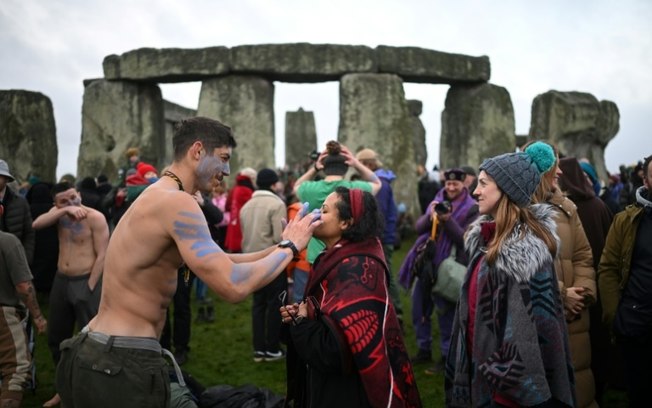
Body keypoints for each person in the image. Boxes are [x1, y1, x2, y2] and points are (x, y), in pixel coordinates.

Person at [55, 117, 319, 408]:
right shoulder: (176, 203)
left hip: (96, 350)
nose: (227, 171)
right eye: (223, 159)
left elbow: (223, 260)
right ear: (197, 151)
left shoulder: (159, 196)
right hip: (119, 363)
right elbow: (232, 285)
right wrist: (292, 246)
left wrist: (283, 248)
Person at [446, 143, 575, 407]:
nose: (476, 191)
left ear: (506, 189)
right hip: (479, 372)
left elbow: (536, 335)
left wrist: (499, 380)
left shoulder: (526, 257)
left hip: (504, 394)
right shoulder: (485, 242)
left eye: (483, 183)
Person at [280, 187, 421, 407]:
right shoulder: (335, 258)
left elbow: (334, 352)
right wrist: (302, 314)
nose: (316, 215)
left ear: (346, 223)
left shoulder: (356, 270)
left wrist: (301, 322)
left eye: (324, 211)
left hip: (348, 393)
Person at [528, 144, 597, 408]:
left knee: (579, 386)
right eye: (553, 166)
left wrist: (581, 293)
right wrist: (559, 294)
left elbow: (583, 256)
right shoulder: (519, 213)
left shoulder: (568, 209)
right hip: (541, 316)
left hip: (575, 317)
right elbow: (521, 270)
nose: (560, 171)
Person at [32, 181, 110, 407]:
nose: (72, 202)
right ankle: (63, 389)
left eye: (74, 197)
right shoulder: (59, 215)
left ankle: (93, 390)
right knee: (57, 338)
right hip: (61, 280)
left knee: (92, 340)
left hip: (86, 281)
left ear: (79, 194)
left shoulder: (95, 217)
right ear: (56, 204)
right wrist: (64, 210)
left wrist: (90, 288)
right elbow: (37, 224)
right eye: (64, 201)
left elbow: (103, 255)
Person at [398, 168, 478, 372]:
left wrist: (447, 220)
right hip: (427, 264)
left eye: (455, 184)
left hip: (449, 265)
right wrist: (431, 215)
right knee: (419, 307)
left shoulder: (472, 208)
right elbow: (419, 227)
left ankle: (445, 356)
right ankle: (423, 349)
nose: (451, 188)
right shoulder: (437, 199)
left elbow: (464, 240)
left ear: (463, 185)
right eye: (448, 184)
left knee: (446, 313)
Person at [559, 157, 618, 405]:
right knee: (595, 343)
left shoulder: (568, 210)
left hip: (576, 288)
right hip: (594, 286)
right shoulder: (598, 205)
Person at [598, 154, 652, 408]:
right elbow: (607, 268)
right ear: (646, 180)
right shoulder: (626, 221)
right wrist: (615, 316)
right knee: (639, 394)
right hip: (635, 325)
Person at [293, 140, 381, 266]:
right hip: (345, 253)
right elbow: (377, 183)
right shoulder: (354, 189)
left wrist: (315, 168)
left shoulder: (310, 189)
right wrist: (356, 163)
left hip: (316, 255)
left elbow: (297, 185)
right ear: (346, 167)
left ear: (324, 167)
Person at [239, 168, 288, 362]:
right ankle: (272, 348)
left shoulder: (246, 206)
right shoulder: (276, 204)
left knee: (258, 305)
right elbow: (279, 237)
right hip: (272, 259)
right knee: (275, 303)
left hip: (251, 260)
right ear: (274, 184)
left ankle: (259, 349)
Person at [355, 148, 404, 323]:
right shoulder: (379, 181)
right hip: (383, 234)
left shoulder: (380, 184)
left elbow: (379, 213)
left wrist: (373, 237)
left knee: (386, 274)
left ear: (368, 164)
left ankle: (396, 311)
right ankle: (385, 307)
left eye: (359, 165)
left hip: (382, 236)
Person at [0, 231, 47, 408]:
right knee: (16, 372)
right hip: (4, 315)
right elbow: (23, 285)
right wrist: (38, 316)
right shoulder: (7, 242)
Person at [0, 159, 35, 265]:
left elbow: (29, 233)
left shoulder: (20, 202)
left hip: (14, 262)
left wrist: (25, 259)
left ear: (6, 179)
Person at [223, 167, 256, 253]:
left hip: (234, 223)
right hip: (241, 227)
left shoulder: (236, 188)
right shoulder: (246, 190)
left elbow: (227, 206)